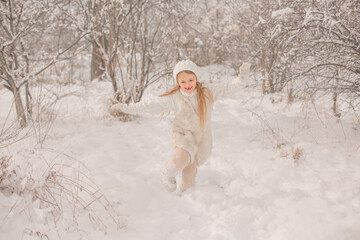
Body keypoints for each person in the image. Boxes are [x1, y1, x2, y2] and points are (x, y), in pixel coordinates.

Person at [111, 60, 251, 193]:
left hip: (201, 139)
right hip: (182, 134)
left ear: (196, 78)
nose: (187, 84)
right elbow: (151, 105)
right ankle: (167, 173)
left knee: (190, 171)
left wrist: (242, 77)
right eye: (183, 81)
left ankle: (184, 193)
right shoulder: (175, 97)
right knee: (182, 158)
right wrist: (127, 108)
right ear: (178, 83)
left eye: (190, 80)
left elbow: (229, 88)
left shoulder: (208, 92)